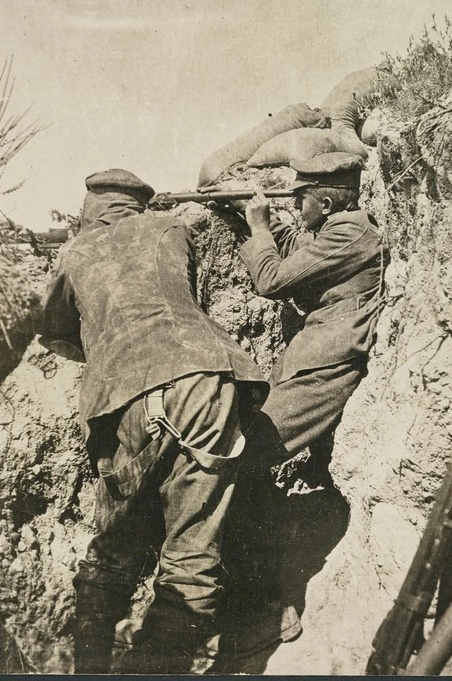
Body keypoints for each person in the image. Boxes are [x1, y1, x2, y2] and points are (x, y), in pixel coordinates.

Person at [37, 168, 279, 674]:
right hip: (203, 380)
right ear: (137, 205)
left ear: (91, 210)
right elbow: (190, 300)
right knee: (191, 558)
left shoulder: (75, 252)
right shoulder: (171, 228)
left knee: (112, 552)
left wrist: (108, 348)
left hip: (120, 399)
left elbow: (54, 331)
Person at [240, 151, 387, 470]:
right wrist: (244, 208)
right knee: (244, 446)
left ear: (326, 206)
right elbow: (297, 248)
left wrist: (260, 230)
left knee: (247, 452)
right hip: (306, 360)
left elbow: (271, 280)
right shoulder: (339, 228)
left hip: (328, 368)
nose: (294, 206)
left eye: (300, 198)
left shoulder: (351, 233)